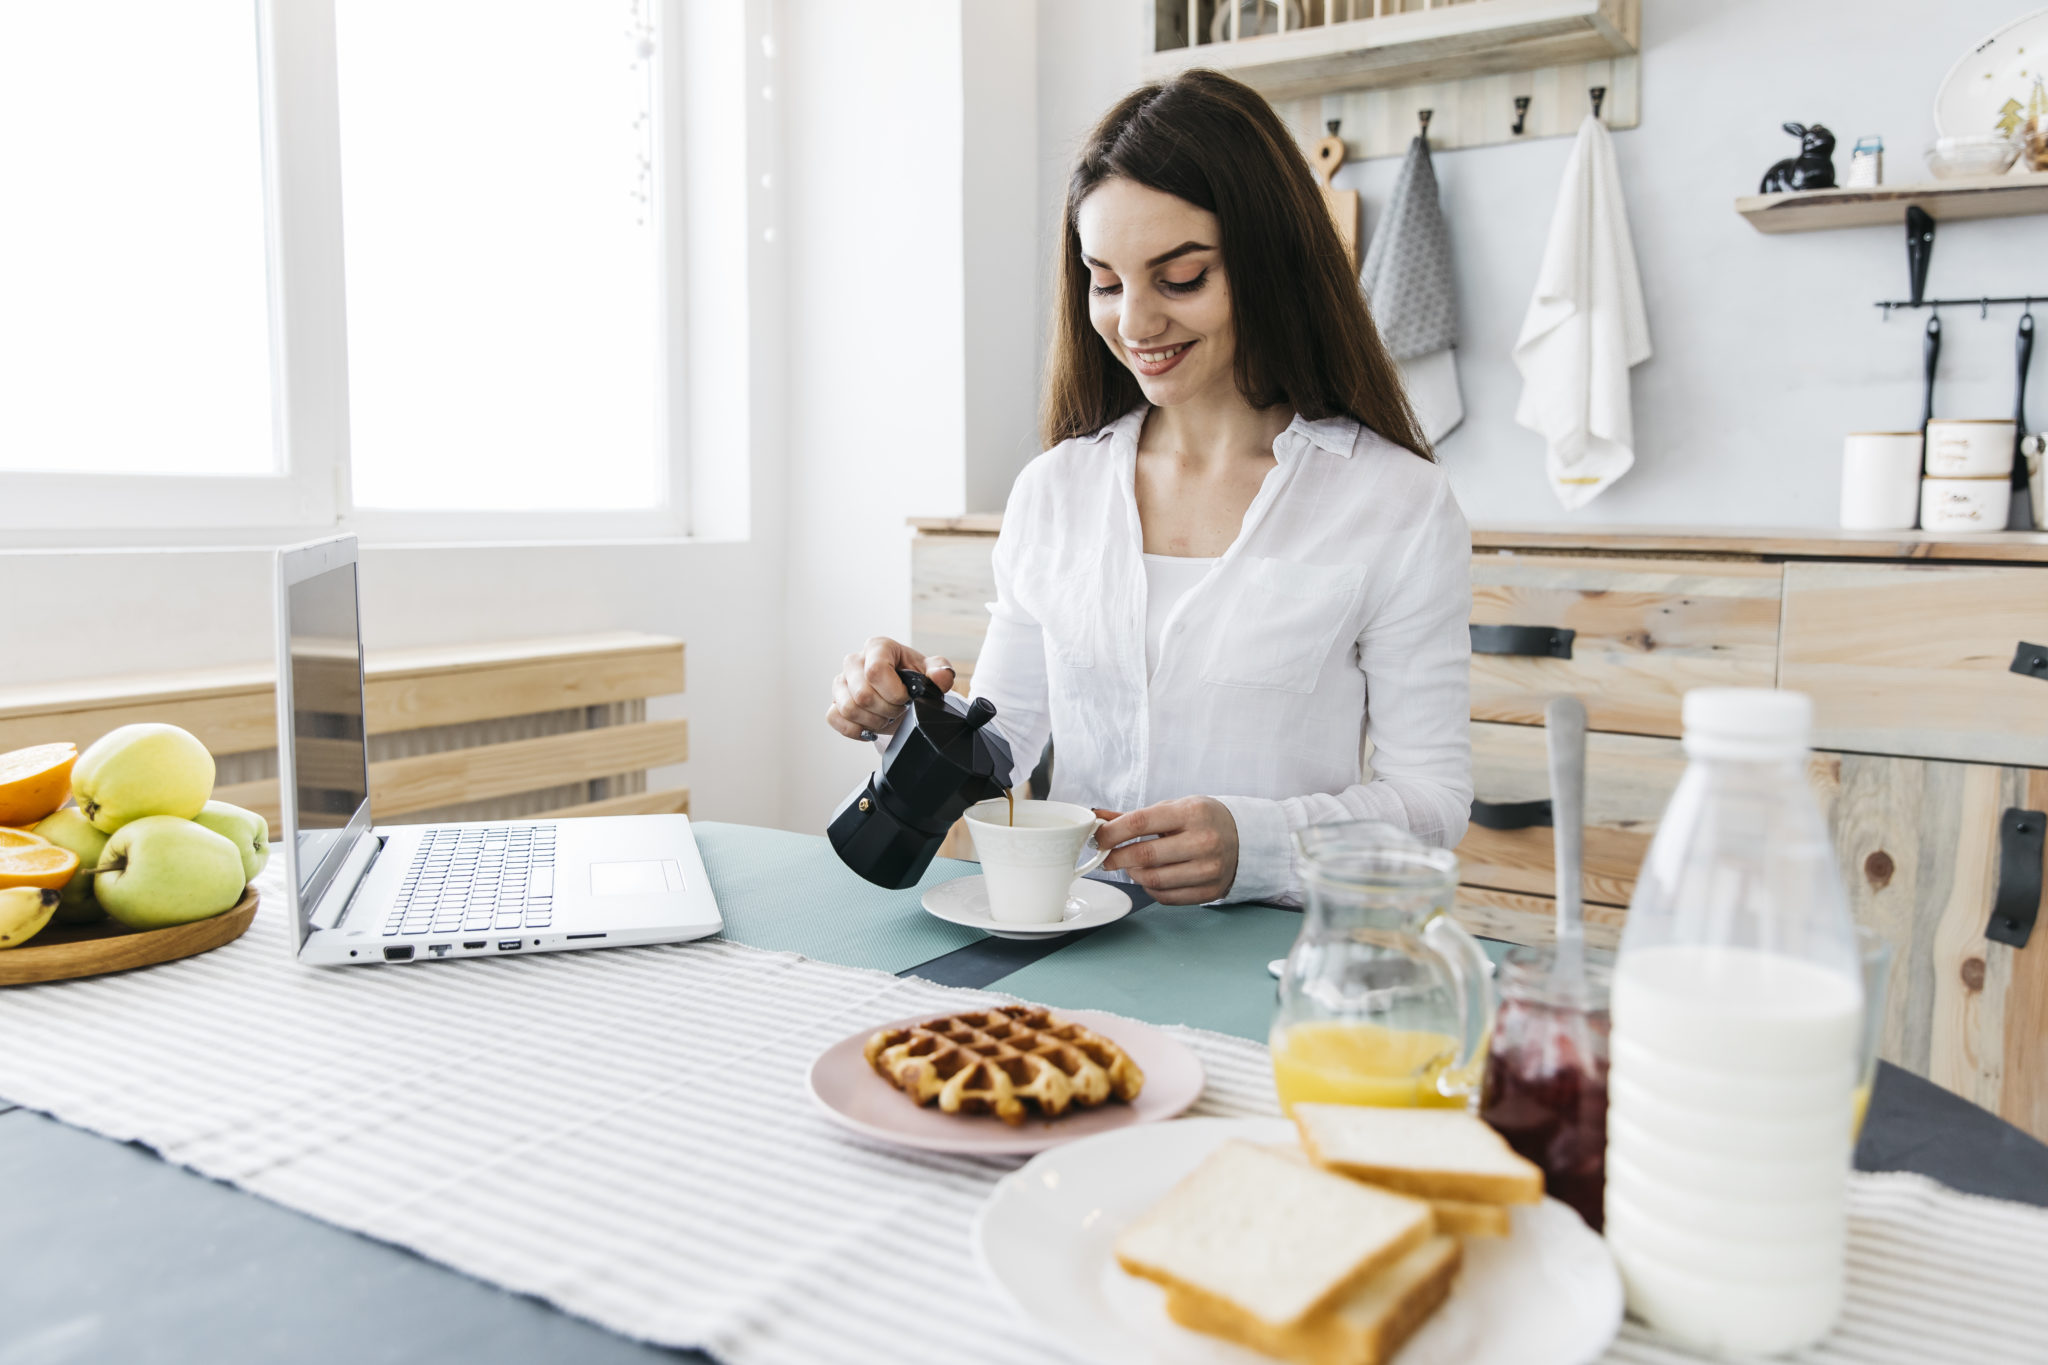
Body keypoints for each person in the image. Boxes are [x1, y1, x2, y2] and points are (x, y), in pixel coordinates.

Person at [826, 69, 1471, 906]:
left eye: (1181, 278)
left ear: (1269, 265)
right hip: (1075, 936)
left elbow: (1433, 798)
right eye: (1106, 280)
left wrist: (1259, 844)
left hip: (1275, 954)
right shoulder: (1055, 490)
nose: (1133, 323)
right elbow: (1005, 744)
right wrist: (913, 712)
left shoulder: (1396, 504)